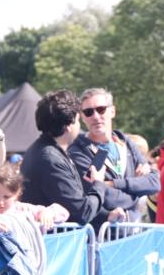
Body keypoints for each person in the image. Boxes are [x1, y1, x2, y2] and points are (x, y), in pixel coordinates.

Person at [20, 90, 112, 226]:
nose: (79, 125)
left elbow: (69, 205)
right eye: (77, 120)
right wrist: (98, 184)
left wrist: (108, 215)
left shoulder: (46, 151)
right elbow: (82, 213)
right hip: (52, 243)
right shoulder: (50, 159)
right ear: (69, 126)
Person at [69, 87, 159, 224]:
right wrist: (137, 191)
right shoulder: (78, 150)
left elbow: (154, 183)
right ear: (82, 117)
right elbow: (106, 197)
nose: (96, 116)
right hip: (102, 236)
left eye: (101, 109)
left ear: (112, 111)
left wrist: (113, 183)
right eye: (88, 112)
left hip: (134, 233)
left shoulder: (125, 142)